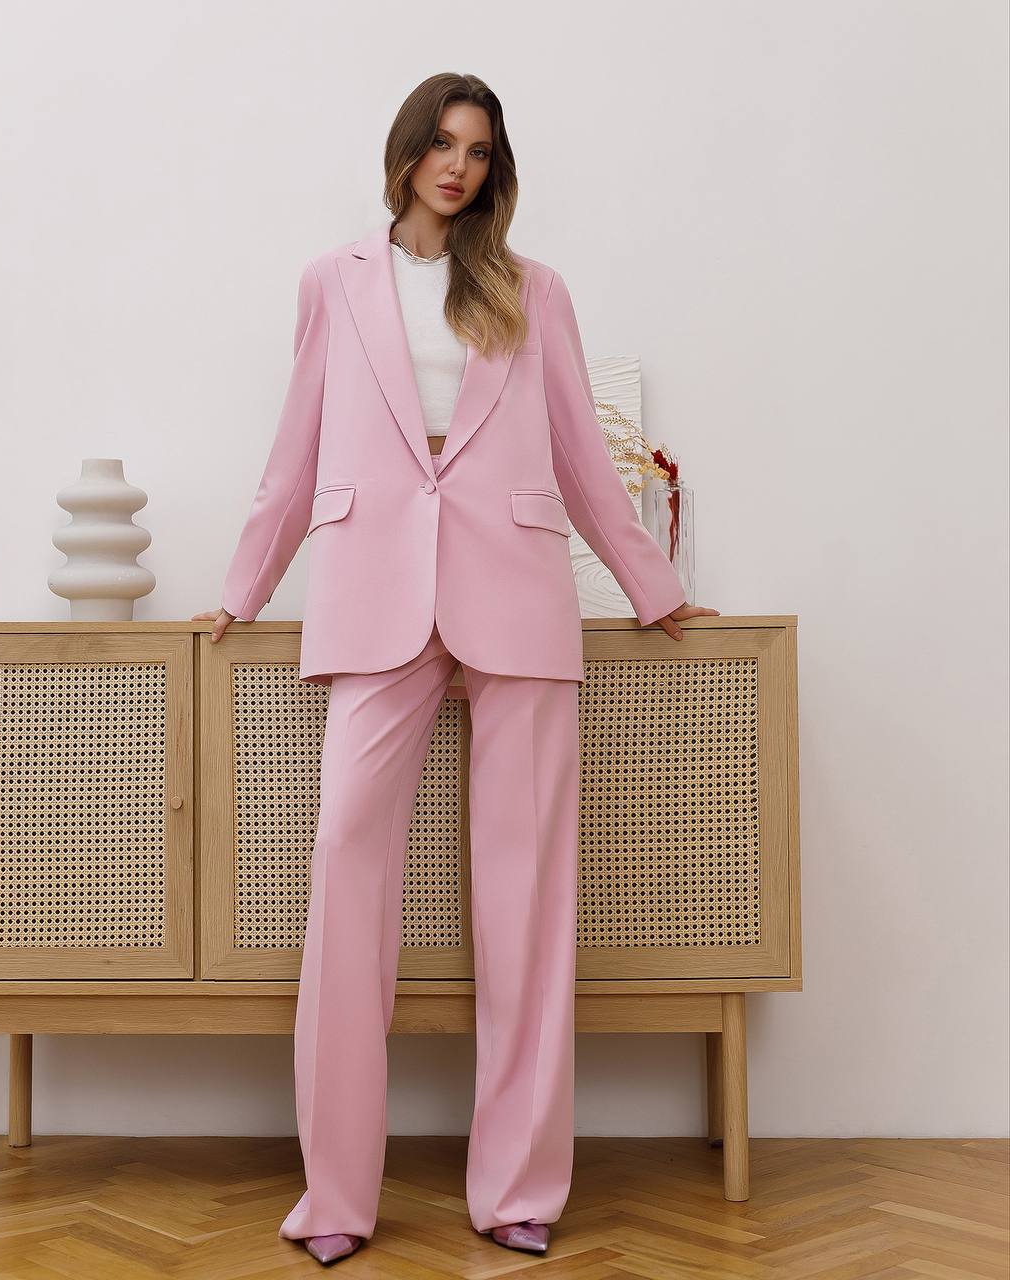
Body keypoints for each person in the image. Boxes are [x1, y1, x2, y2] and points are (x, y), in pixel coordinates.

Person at [193, 71, 718, 1267]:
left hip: (516, 592)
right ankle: (334, 1195)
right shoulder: (335, 281)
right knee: (343, 875)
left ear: (495, 168)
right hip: (374, 588)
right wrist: (240, 587)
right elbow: (294, 444)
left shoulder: (534, 292)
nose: (457, 165)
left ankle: (520, 1185)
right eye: (440, 142)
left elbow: (585, 455)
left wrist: (653, 583)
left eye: (478, 149)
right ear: (406, 151)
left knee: (529, 894)